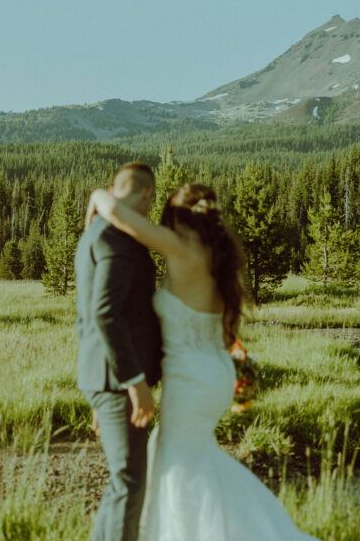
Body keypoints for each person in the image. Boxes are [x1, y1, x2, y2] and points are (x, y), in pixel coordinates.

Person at [87, 181, 317, 541]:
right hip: (215, 375)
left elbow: (117, 213)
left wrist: (97, 197)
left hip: (191, 380)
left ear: (176, 216)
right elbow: (228, 337)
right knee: (192, 460)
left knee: (178, 468)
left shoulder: (181, 248)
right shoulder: (221, 261)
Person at [75, 163, 162, 541]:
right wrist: (134, 380)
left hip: (104, 377)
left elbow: (85, 321)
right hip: (117, 380)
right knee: (130, 481)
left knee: (124, 480)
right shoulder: (119, 238)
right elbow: (103, 314)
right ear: (147, 194)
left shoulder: (94, 230)